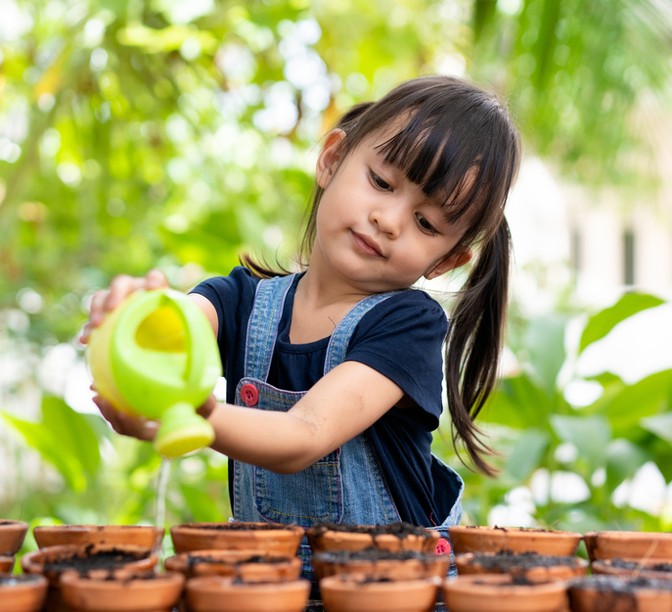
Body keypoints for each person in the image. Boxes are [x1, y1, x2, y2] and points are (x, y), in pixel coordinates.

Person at [81, 75, 521, 582]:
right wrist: (130, 312)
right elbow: (178, 323)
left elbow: (304, 435)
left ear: (447, 259)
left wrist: (193, 415)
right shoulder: (240, 301)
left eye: (426, 224)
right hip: (273, 585)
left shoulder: (407, 327)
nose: (389, 220)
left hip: (388, 592)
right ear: (332, 158)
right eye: (381, 182)